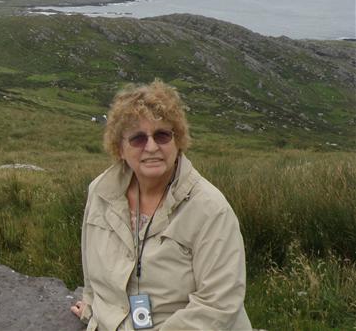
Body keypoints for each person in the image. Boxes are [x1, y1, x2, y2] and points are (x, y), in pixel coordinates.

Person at [71, 80, 251, 330]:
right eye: (137, 139)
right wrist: (93, 309)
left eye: (162, 135)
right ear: (120, 148)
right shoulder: (101, 192)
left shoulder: (210, 209)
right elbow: (91, 273)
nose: (152, 147)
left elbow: (219, 305)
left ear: (178, 141)